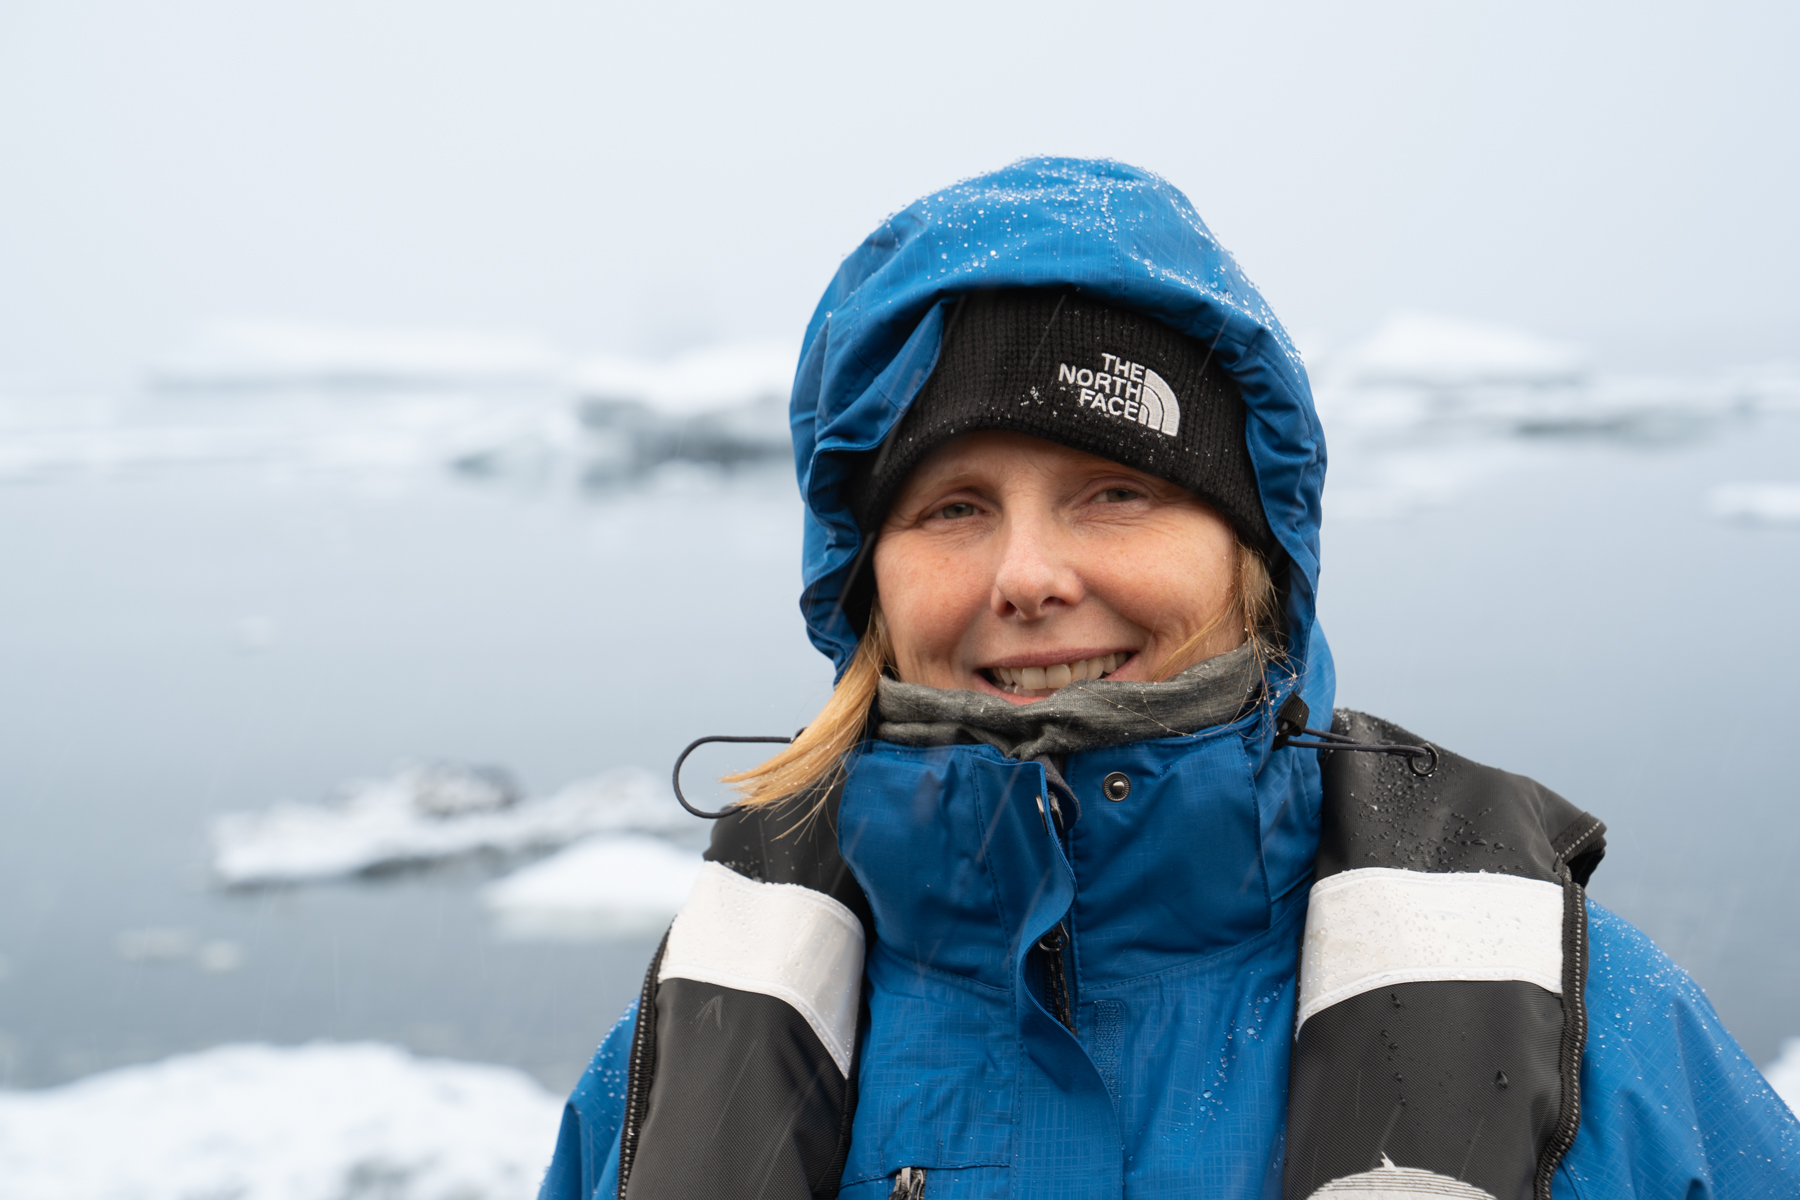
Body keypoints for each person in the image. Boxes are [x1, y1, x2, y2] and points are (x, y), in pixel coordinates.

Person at [538, 159, 1800, 1200]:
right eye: (954, 507)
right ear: (865, 585)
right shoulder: (688, 1044)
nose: (1026, 575)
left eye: (1116, 493)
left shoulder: (1581, 1028)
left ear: (1254, 559)